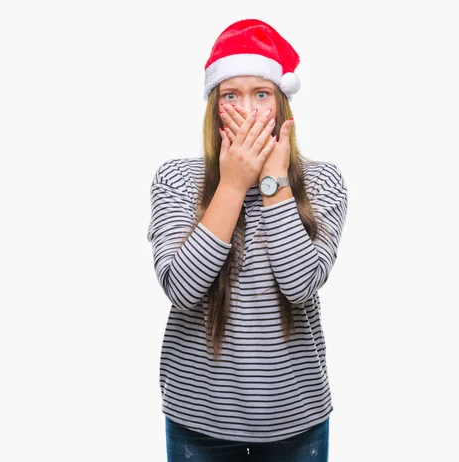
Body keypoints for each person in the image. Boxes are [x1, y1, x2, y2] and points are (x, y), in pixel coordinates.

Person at [146, 18, 348, 462]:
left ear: (282, 106)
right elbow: (181, 288)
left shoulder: (322, 181)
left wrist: (273, 181)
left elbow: (300, 285)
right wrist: (233, 185)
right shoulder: (177, 179)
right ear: (213, 107)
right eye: (230, 95)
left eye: (261, 94)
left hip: (296, 418)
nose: (248, 109)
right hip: (198, 419)